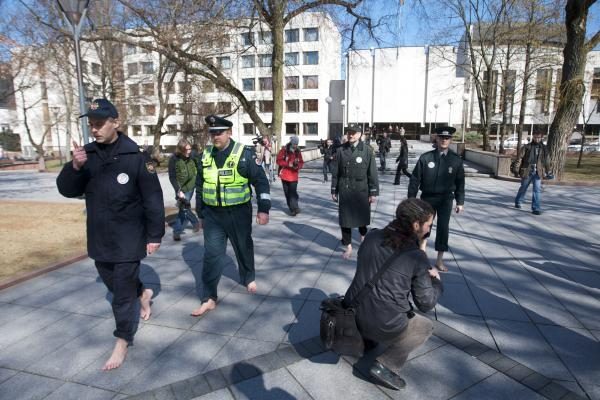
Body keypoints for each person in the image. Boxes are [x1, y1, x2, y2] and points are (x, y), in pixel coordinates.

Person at [56, 98, 165, 371]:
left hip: (129, 237)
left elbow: (153, 198)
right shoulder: (87, 155)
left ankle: (123, 339)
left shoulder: (136, 156)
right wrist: (75, 167)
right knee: (114, 283)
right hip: (99, 237)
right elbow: (67, 190)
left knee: (121, 296)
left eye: (100, 124)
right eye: (91, 125)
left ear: (116, 122)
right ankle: (143, 292)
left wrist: (155, 235)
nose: (94, 129)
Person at [343, 198, 443, 390]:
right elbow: (426, 303)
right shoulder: (416, 257)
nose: (430, 229)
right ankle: (386, 365)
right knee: (425, 326)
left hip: (352, 312)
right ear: (416, 225)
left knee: (377, 300)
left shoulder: (372, 236)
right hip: (383, 323)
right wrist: (436, 281)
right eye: (429, 225)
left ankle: (367, 339)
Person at [191, 115, 271, 317]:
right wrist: (200, 214)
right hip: (212, 215)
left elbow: (261, 182)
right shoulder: (205, 155)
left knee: (243, 247)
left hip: (238, 212)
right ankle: (209, 297)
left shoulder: (245, 154)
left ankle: (248, 276)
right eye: (212, 132)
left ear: (229, 133)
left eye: (219, 132)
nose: (215, 136)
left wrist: (264, 208)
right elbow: (200, 187)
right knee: (211, 255)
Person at [408, 126, 464, 272]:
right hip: (428, 198)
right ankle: (422, 254)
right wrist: (411, 200)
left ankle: (439, 260)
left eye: (447, 138)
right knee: (424, 227)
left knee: (443, 228)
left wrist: (460, 201)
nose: (444, 140)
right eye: (441, 138)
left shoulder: (455, 160)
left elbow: (460, 182)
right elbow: (415, 179)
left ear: (450, 140)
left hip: (446, 199)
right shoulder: (426, 158)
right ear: (437, 139)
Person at [331, 123, 379, 259]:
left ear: (359, 134)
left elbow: (372, 173)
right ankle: (349, 247)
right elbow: (336, 172)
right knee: (345, 220)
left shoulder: (367, 150)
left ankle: (363, 242)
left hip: (361, 189)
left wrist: (373, 192)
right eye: (348, 132)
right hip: (345, 189)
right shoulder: (341, 150)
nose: (350, 135)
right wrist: (334, 189)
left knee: (362, 218)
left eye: (353, 132)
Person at [168, 139, 200, 241]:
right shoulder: (174, 159)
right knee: (184, 207)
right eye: (185, 150)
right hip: (180, 187)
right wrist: (178, 190)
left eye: (189, 149)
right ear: (180, 150)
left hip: (190, 186)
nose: (188, 152)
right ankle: (195, 222)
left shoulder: (193, 155)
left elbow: (200, 166)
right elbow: (172, 176)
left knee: (183, 207)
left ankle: (177, 231)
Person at [514, 131, 552, 215]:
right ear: (533, 137)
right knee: (523, 187)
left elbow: (547, 161)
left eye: (539, 137)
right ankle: (518, 201)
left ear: (541, 137)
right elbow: (519, 159)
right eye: (535, 137)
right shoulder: (527, 147)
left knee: (537, 190)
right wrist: (516, 170)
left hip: (538, 172)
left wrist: (548, 171)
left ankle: (536, 208)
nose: (537, 139)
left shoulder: (544, 148)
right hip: (527, 170)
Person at [276, 136, 304, 216]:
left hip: (294, 175)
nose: (295, 145)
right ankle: (292, 208)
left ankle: (294, 208)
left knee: (293, 192)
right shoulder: (284, 150)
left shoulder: (298, 151)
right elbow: (278, 161)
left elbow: (301, 162)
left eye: (297, 144)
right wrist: (288, 164)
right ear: (291, 143)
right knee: (287, 193)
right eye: (294, 144)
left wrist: (297, 166)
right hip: (284, 175)